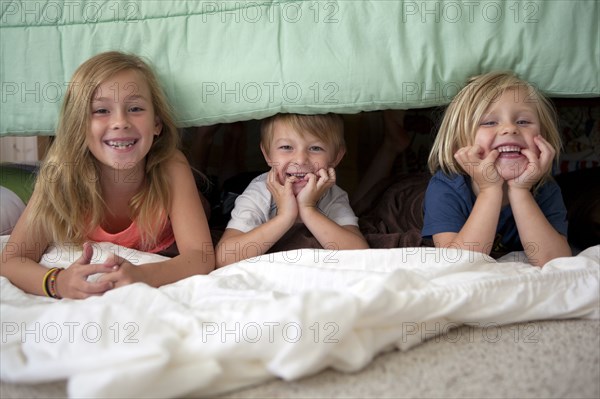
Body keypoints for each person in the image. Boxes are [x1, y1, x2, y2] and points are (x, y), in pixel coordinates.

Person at [0, 51, 215, 299]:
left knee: (208, 205)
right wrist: (56, 282)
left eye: (135, 108)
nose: (120, 122)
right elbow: (12, 259)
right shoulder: (59, 176)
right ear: (79, 125)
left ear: (156, 123)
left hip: (175, 224)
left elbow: (201, 256)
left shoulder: (171, 166)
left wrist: (143, 276)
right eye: (101, 111)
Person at [422, 71, 571, 266]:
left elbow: (555, 262)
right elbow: (457, 263)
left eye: (523, 121)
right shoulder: (444, 187)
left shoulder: (545, 189)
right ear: (458, 145)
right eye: (490, 122)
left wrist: (520, 190)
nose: (510, 129)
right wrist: (490, 189)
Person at [215, 113, 369, 267]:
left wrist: (308, 209)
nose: (300, 159)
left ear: (336, 157)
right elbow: (224, 258)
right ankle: (232, 140)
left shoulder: (332, 195)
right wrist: (285, 216)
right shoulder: (259, 192)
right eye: (286, 147)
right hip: (233, 193)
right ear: (267, 154)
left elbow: (360, 256)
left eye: (316, 148)